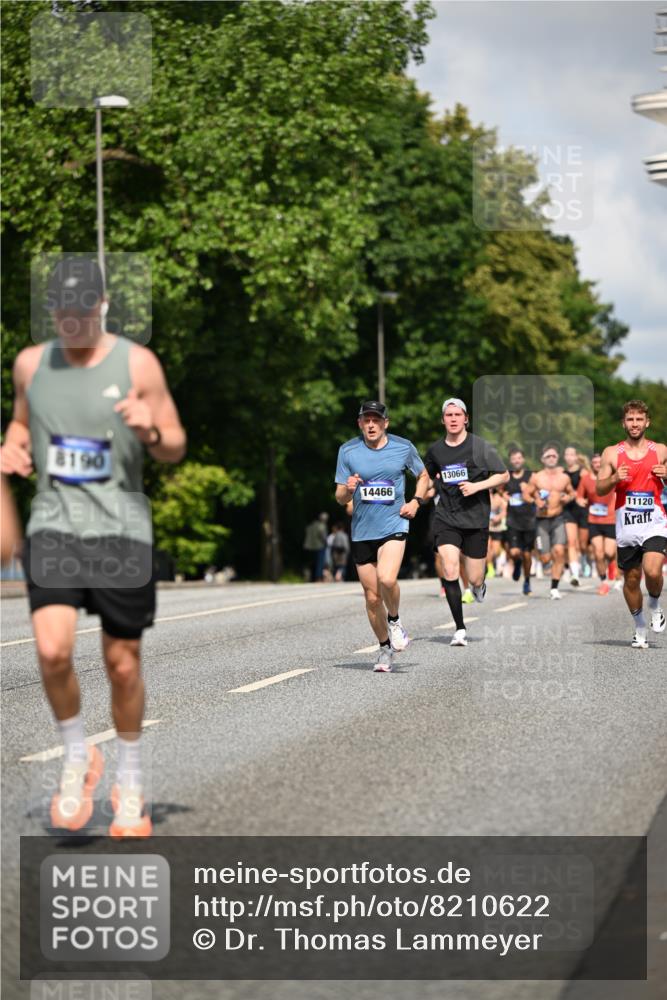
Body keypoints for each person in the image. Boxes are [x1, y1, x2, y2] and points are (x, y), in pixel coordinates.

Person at [0, 256, 186, 837]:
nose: (72, 322)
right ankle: (78, 756)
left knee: (122, 663)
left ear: (101, 306)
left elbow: (174, 444)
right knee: (53, 651)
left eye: (82, 311)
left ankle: (129, 779)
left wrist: (148, 428)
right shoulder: (32, 364)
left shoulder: (138, 363)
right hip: (54, 525)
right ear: (51, 310)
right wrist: (13, 448)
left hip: (122, 530)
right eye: (62, 312)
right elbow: (22, 424)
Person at [334, 400, 429, 672]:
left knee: (387, 578)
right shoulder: (348, 451)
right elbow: (340, 498)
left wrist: (416, 501)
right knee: (372, 597)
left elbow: (423, 476)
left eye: (376, 420)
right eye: (367, 420)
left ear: (385, 423)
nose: (371, 424)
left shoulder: (403, 447)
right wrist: (348, 489)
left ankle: (395, 621)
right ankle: (384, 648)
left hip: (394, 524)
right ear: (360, 423)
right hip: (363, 530)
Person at [424, 397, 509, 647]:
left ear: (466, 419)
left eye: (457, 415)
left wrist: (477, 486)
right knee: (450, 569)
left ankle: (479, 586)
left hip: (475, 518)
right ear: (443, 420)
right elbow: (427, 478)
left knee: (474, 578)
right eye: (448, 415)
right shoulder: (436, 451)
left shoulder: (480, 447)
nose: (453, 419)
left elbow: (503, 475)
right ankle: (459, 628)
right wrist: (423, 494)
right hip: (446, 517)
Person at [596, 400, 666, 648]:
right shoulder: (611, 453)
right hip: (626, 525)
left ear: (647, 422)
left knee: (653, 570)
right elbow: (600, 487)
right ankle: (639, 627)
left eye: (639, 419)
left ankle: (655, 604)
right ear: (623, 423)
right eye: (630, 419)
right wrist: (615, 478)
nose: (634, 424)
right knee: (632, 579)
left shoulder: (660, 450)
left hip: (654, 522)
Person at [531, 444, 576, 600]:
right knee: (545, 558)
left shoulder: (564, 477)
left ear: (558, 458)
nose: (551, 459)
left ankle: (554, 588)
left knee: (559, 551)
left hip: (558, 518)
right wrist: (536, 500)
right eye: (548, 456)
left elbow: (572, 492)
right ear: (543, 459)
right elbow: (526, 494)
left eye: (554, 456)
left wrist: (567, 497)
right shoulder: (536, 477)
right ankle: (545, 563)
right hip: (541, 520)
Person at [576, 453, 616, 595]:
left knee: (609, 552)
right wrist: (581, 501)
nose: (597, 464)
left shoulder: (612, 477)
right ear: (591, 464)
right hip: (593, 520)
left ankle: (613, 564)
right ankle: (603, 582)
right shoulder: (586, 479)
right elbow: (579, 496)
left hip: (611, 520)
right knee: (598, 554)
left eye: (600, 462)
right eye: (595, 462)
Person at [504, 447, 537, 596]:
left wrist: (529, 491)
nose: (516, 461)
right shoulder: (507, 476)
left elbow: (539, 494)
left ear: (523, 459)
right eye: (513, 458)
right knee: (514, 552)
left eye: (519, 458)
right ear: (510, 461)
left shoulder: (531, 476)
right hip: (513, 520)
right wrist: (503, 496)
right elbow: (498, 490)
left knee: (527, 554)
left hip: (529, 520)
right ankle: (517, 563)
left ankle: (527, 581)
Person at [562, 446, 589, 587]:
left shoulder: (583, 472)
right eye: (567, 454)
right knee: (571, 542)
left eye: (571, 454)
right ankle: (575, 574)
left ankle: (583, 560)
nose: (569, 457)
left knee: (583, 545)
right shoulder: (563, 473)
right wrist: (563, 496)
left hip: (583, 510)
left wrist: (584, 498)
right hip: (568, 510)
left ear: (576, 456)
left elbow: (590, 489)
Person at [303, 512, 328, 582]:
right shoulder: (322, 526)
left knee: (311, 563)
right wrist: (326, 543)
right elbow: (323, 537)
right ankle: (318, 578)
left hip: (309, 547)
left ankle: (309, 577)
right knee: (320, 563)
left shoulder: (309, 526)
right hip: (319, 546)